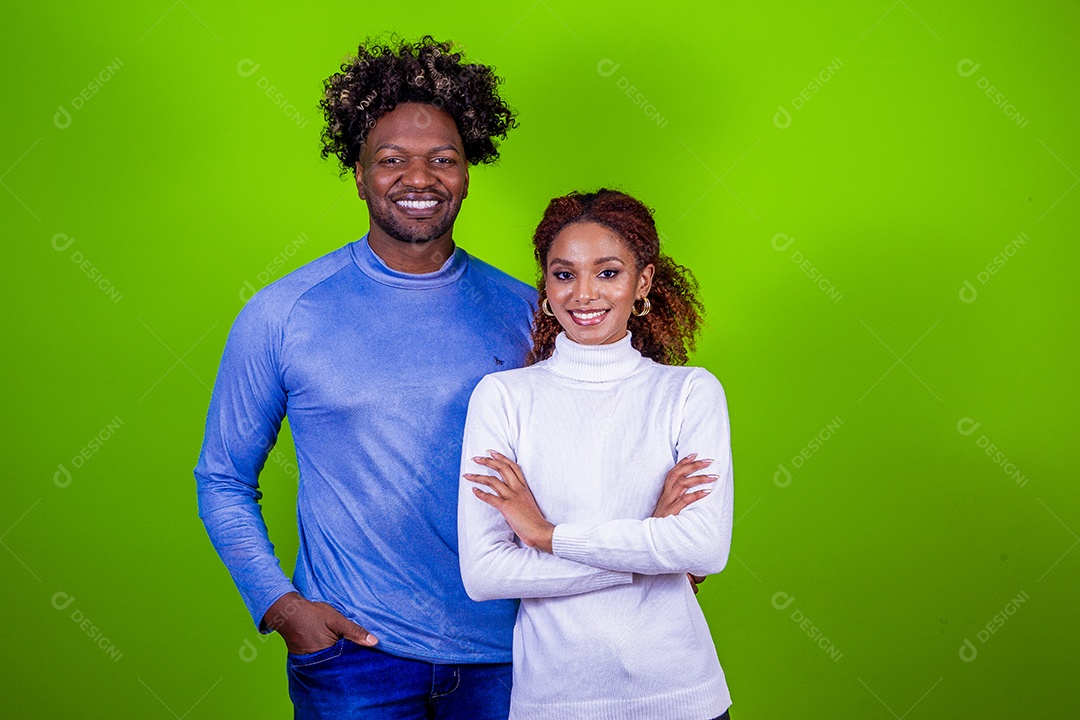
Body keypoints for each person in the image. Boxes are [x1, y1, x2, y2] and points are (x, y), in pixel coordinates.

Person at [194, 36, 534, 718]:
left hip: (512, 652)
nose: (419, 179)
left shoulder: (527, 310)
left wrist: (661, 534)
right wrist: (282, 606)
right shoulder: (284, 313)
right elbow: (222, 477)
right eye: (391, 160)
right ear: (357, 172)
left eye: (443, 159)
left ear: (469, 171)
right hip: (356, 658)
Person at [458, 189, 734, 719]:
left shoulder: (690, 393)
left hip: (682, 695)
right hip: (555, 700)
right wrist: (649, 550)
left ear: (643, 282)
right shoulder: (503, 397)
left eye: (608, 272)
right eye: (564, 275)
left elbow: (703, 550)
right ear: (546, 286)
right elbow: (486, 573)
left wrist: (546, 537)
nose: (584, 294)